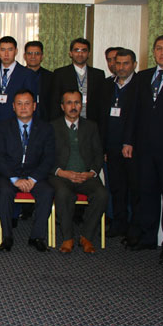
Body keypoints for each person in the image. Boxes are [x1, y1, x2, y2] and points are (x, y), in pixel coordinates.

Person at [122, 35, 163, 261]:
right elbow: (133, 111)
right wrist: (128, 141)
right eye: (159, 48)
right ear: (153, 52)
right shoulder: (143, 76)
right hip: (144, 148)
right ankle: (148, 237)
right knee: (147, 194)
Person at [0, 89, 55, 252]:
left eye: (27, 104)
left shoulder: (45, 128)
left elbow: (49, 158)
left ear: (34, 106)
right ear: (13, 106)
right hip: (10, 175)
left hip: (34, 175)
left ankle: (37, 237)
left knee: (47, 192)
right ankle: (7, 237)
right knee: (4, 192)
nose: (23, 107)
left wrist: (33, 179)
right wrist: (15, 179)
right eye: (19, 104)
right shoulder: (3, 127)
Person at [49, 90, 109, 254]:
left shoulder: (91, 126)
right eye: (69, 103)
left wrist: (92, 173)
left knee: (102, 194)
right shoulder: (52, 127)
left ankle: (86, 237)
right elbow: (46, 156)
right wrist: (62, 172)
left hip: (85, 176)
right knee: (63, 194)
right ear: (62, 106)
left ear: (81, 106)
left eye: (77, 102)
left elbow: (98, 154)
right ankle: (68, 237)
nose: (73, 106)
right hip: (61, 175)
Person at [100, 48, 139, 241]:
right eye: (118, 63)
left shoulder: (141, 85)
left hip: (134, 148)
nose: (121, 67)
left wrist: (129, 141)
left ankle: (134, 226)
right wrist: (103, 147)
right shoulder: (107, 85)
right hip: (112, 146)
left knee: (135, 189)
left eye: (125, 63)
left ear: (134, 65)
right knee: (116, 188)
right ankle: (118, 223)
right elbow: (101, 118)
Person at [49, 38, 106, 124]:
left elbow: (102, 103)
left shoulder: (98, 75)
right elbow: (55, 103)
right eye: (76, 50)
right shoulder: (60, 74)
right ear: (70, 53)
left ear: (89, 54)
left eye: (84, 50)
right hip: (66, 123)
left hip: (91, 123)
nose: (80, 54)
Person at [0, 36, 37, 123]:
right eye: (3, 50)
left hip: (16, 123)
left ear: (16, 51)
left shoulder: (27, 74)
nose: (6, 54)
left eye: (10, 50)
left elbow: (31, 102)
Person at [24, 40, 53, 120]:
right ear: (24, 56)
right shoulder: (18, 75)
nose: (33, 57)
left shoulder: (51, 77)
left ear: (42, 56)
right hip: (23, 118)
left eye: (37, 53)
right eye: (29, 53)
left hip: (45, 119)